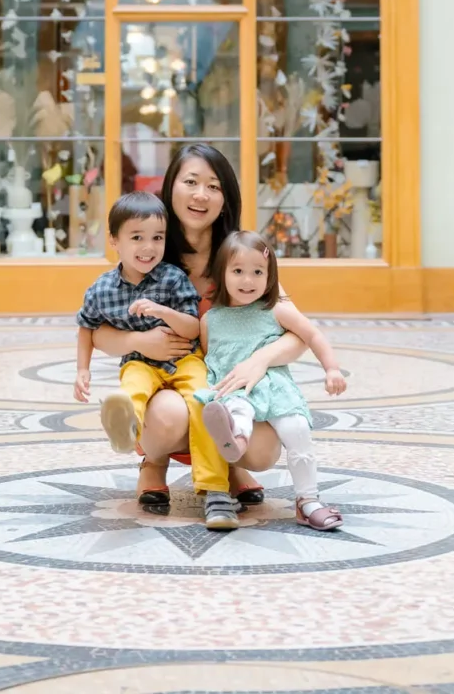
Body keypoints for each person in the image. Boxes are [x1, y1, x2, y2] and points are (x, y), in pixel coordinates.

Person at [91, 143, 308, 507]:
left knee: (264, 451)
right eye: (190, 181)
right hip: (170, 384)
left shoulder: (242, 259)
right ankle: (154, 462)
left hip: (229, 388)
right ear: (170, 186)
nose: (200, 195)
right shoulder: (150, 251)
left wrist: (259, 361)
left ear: (226, 197)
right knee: (169, 417)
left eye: (214, 186)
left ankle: (230, 465)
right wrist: (141, 342)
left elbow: (299, 333)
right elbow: (97, 333)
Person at [73, 190, 239, 531]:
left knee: (203, 403)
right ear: (114, 240)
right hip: (138, 361)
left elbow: (193, 327)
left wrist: (163, 311)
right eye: (137, 237)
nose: (148, 247)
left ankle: (216, 489)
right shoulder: (101, 289)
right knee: (132, 386)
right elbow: (86, 327)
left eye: (157, 238)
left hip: (185, 358)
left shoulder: (173, 278)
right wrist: (82, 369)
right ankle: (125, 428)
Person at [198, 230, 346, 530]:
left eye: (257, 272)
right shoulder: (210, 319)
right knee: (237, 413)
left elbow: (311, 334)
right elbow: (208, 359)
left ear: (270, 275)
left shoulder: (274, 309)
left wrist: (331, 368)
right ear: (221, 274)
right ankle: (234, 442)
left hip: (275, 388)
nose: (248, 280)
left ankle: (308, 500)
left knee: (298, 430)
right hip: (236, 389)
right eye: (238, 271)